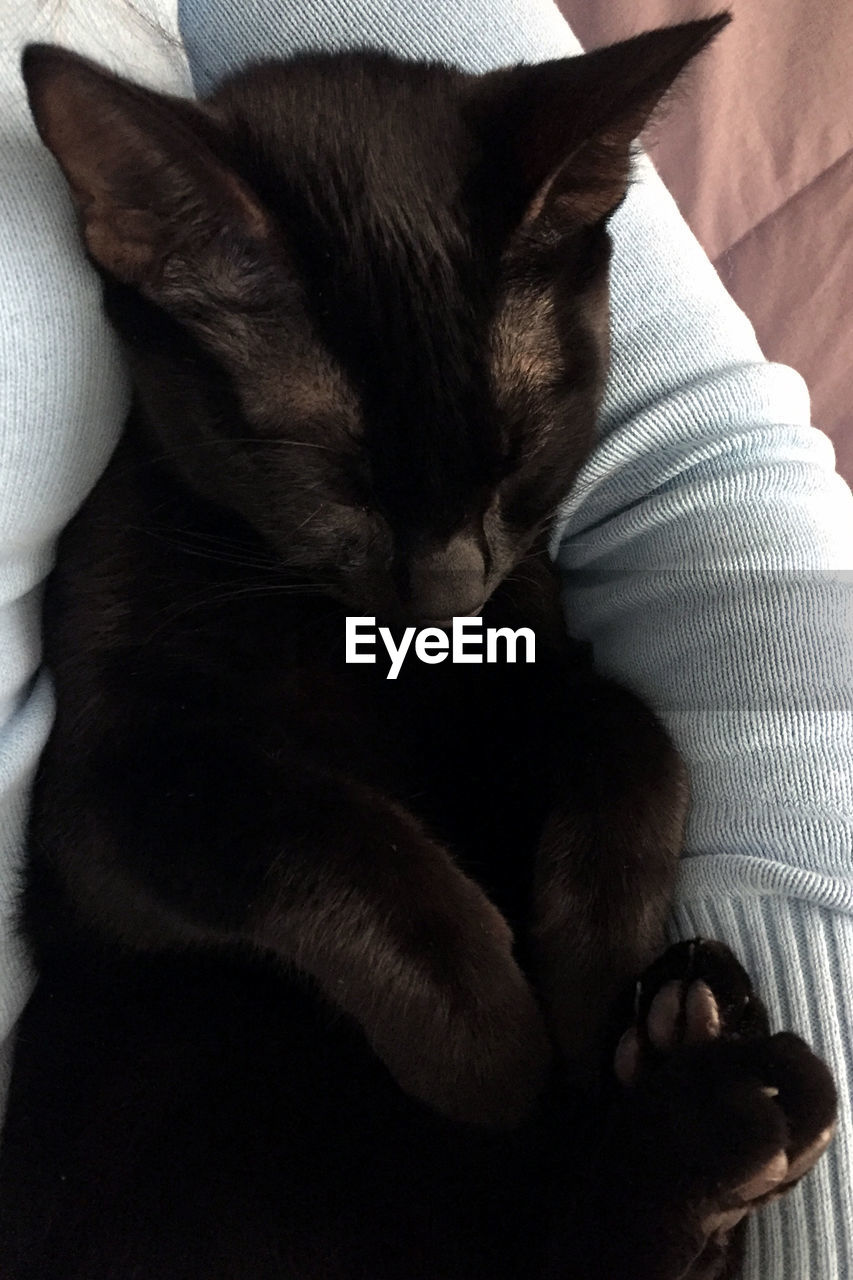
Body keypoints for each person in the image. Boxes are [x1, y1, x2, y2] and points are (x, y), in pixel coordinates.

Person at [1, 0, 851, 1275]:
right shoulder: (169, 550)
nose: (452, 586)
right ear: (153, 241)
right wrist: (406, 934)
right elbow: (118, 807)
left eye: (505, 478)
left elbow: (676, 492)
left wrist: (622, 789)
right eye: (343, 482)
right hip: (181, 1100)